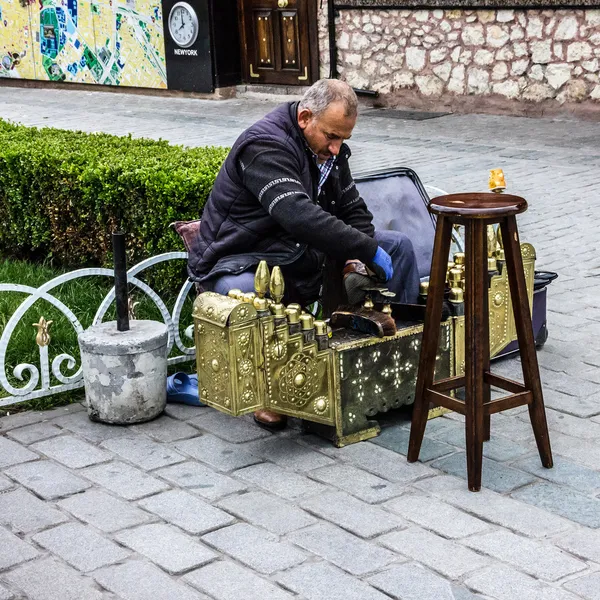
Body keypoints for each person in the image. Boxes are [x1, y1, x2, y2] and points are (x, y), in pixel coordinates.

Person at [187, 79, 419, 430]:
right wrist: (364, 248)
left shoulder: (328, 150)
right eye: (331, 136)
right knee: (252, 295)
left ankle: (387, 364)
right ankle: (270, 395)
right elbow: (297, 215)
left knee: (398, 247)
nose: (337, 148)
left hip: (296, 252)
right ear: (305, 118)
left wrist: (367, 251)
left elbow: (353, 210)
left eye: (344, 139)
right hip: (240, 259)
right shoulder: (264, 146)